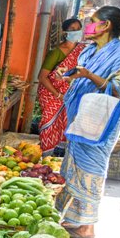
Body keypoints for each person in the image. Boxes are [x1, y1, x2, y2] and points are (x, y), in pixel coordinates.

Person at [55, 6, 120, 238]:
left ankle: (87, 228)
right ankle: (74, 219)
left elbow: (117, 89)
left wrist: (87, 75)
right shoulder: (90, 51)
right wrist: (72, 75)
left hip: (101, 119)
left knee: (91, 169)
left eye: (93, 22)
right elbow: (84, 73)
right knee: (74, 167)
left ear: (106, 25)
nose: (88, 26)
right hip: (81, 115)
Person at [36, 18, 84, 153]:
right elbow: (42, 77)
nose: (76, 32)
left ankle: (58, 156)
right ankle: (46, 154)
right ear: (65, 32)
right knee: (49, 123)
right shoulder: (56, 52)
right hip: (50, 94)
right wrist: (58, 95)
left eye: (78, 29)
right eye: (72, 30)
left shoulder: (82, 51)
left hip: (69, 94)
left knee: (66, 124)